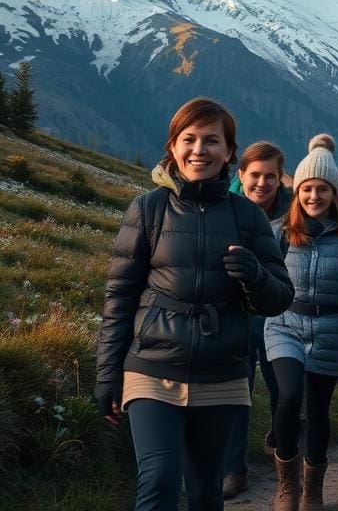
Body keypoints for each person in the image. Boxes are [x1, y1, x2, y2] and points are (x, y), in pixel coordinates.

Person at [94, 98, 294, 511]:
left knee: (205, 493)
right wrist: (107, 371)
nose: (198, 150)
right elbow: (120, 295)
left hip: (221, 374)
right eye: (189, 139)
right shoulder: (148, 209)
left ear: (229, 153)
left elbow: (280, 298)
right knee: (160, 483)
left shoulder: (248, 217)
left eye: (211, 140)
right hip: (151, 366)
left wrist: (255, 273)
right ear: (173, 146)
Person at [264, 144, 338, 510]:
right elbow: (262, 277)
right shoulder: (281, 232)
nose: (314, 195)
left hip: (330, 331)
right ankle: (287, 485)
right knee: (287, 400)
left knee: (318, 412)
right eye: (307, 188)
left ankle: (313, 489)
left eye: (323, 188)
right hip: (284, 325)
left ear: (335, 192)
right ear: (297, 192)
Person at [223, 141, 294, 498]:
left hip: (279, 317)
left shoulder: (293, 214)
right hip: (235, 317)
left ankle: (282, 448)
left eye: (271, 176)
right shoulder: (225, 209)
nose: (262, 183)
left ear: (280, 179)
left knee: (283, 389)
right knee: (238, 390)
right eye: (255, 175)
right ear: (241, 175)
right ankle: (233, 469)